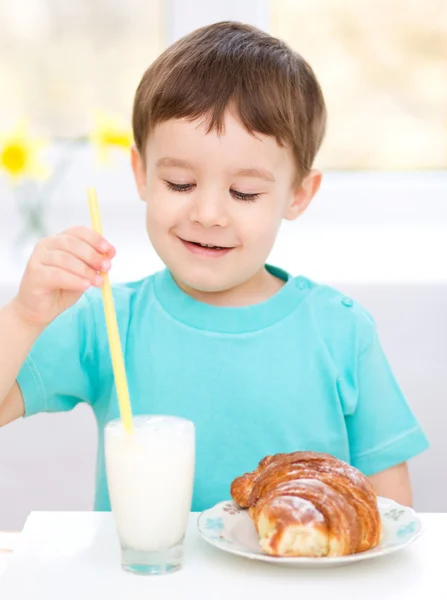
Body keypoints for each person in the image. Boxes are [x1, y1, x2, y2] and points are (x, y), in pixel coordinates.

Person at [0, 21, 428, 512]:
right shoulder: (108, 321)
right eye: (180, 183)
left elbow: (393, 514)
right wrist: (23, 317)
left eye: (244, 192)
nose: (207, 213)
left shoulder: (341, 330)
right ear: (141, 174)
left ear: (298, 194)